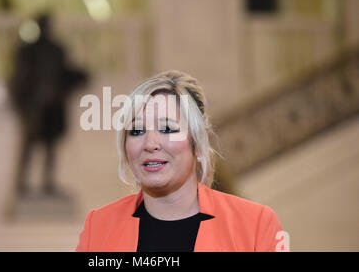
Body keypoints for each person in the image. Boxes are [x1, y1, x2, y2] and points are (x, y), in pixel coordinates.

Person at [76, 70, 286, 252]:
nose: (150, 144)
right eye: (137, 130)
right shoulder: (98, 226)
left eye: (167, 129)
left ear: (198, 142)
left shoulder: (256, 224)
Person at [9, 14, 88, 198]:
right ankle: (23, 184)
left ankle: (47, 183)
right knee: (30, 146)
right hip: (36, 107)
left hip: (52, 107)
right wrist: (23, 104)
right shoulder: (28, 51)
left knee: (50, 148)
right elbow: (20, 78)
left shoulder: (56, 49)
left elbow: (64, 73)